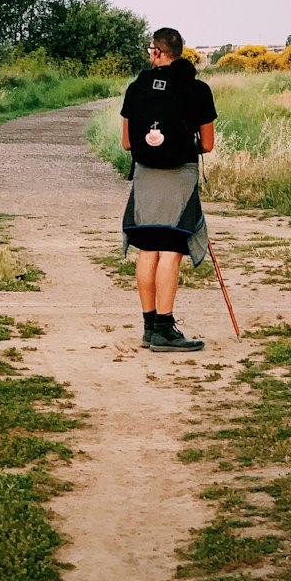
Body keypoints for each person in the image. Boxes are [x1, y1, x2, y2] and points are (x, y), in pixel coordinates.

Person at [120, 28, 217, 352]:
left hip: (146, 177)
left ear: (158, 52)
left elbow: (126, 142)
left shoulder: (136, 89)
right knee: (171, 251)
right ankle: (165, 327)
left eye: (151, 49)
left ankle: (150, 328)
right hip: (179, 180)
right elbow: (207, 144)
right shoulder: (198, 90)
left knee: (148, 249)